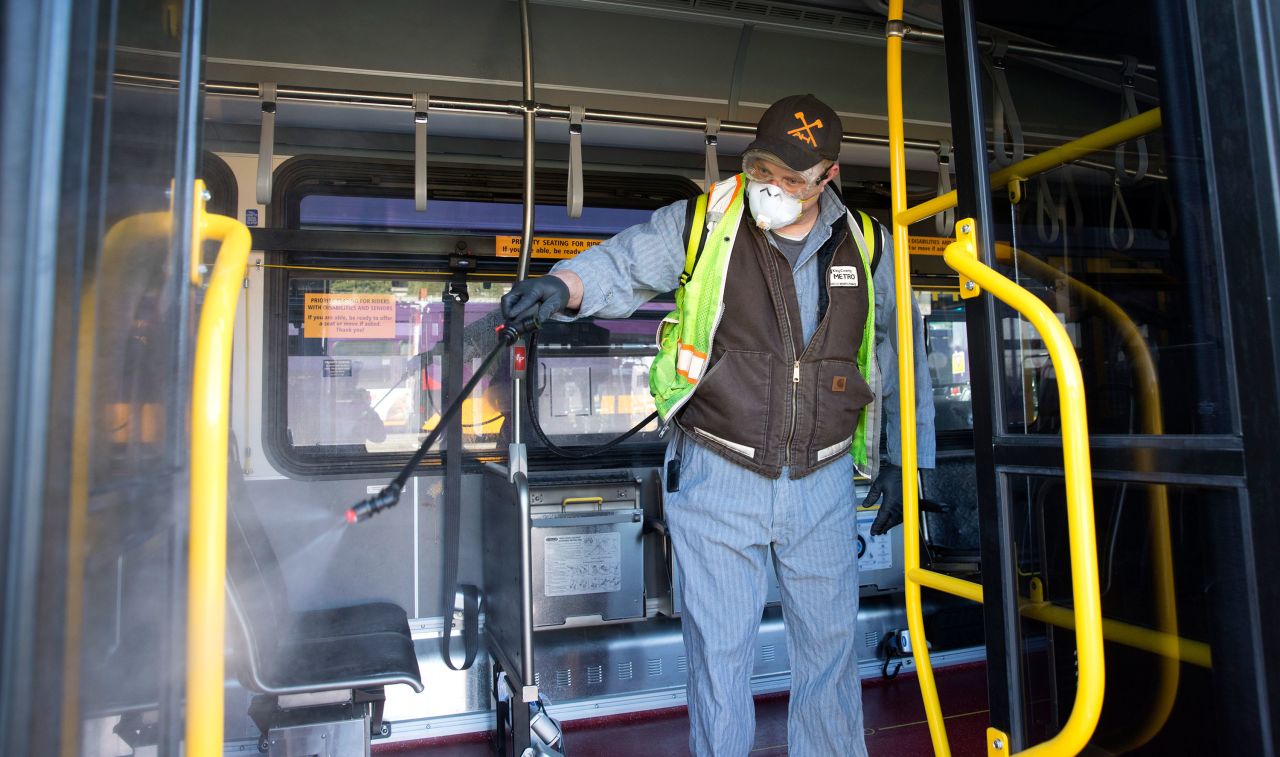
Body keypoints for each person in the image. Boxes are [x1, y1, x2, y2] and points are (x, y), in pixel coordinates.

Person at [501, 93, 933, 756]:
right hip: (718, 467)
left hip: (821, 479)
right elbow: (621, 263)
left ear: (829, 176)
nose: (775, 189)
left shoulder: (868, 245)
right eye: (764, 169)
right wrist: (563, 288)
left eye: (794, 178)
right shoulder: (703, 224)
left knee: (831, 655)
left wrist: (907, 459)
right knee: (720, 659)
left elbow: (899, 353)